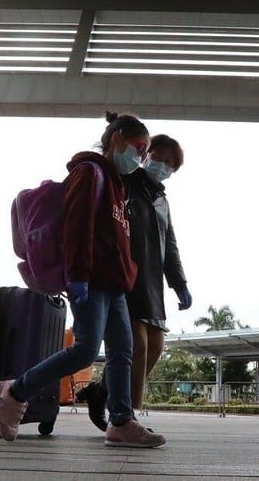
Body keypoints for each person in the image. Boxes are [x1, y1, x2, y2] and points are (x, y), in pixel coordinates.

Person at [0, 112, 165, 448]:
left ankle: (120, 421)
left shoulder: (116, 182)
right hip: (91, 279)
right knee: (85, 351)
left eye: (145, 153)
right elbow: (78, 225)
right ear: (116, 138)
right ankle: (14, 391)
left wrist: (127, 274)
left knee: (121, 352)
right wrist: (78, 276)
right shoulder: (90, 173)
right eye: (138, 147)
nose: (141, 158)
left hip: (114, 283)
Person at [78, 134, 192, 430]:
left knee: (155, 345)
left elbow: (171, 246)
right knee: (136, 346)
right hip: (125, 275)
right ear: (147, 154)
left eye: (170, 164)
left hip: (152, 283)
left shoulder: (162, 200)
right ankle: (128, 417)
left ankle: (102, 391)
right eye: (160, 158)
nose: (163, 166)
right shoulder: (126, 182)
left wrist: (179, 283)